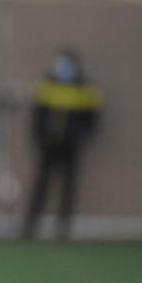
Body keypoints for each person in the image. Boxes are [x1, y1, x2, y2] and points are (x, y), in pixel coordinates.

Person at [22, 47, 102, 240]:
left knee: (69, 186)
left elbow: (92, 119)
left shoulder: (85, 88)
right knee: (41, 184)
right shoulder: (46, 84)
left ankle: (64, 227)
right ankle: (31, 225)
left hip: (71, 145)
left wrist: (80, 136)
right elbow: (37, 115)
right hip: (48, 144)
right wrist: (40, 137)